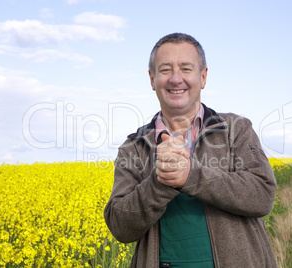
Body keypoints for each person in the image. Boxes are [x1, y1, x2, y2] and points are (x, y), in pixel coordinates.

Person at [104, 33, 278, 267]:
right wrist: (158, 184)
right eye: (165, 70)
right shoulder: (133, 147)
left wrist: (190, 176)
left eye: (186, 69)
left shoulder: (235, 129)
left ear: (203, 76)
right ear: (152, 79)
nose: (176, 79)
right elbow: (120, 227)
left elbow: (262, 195)